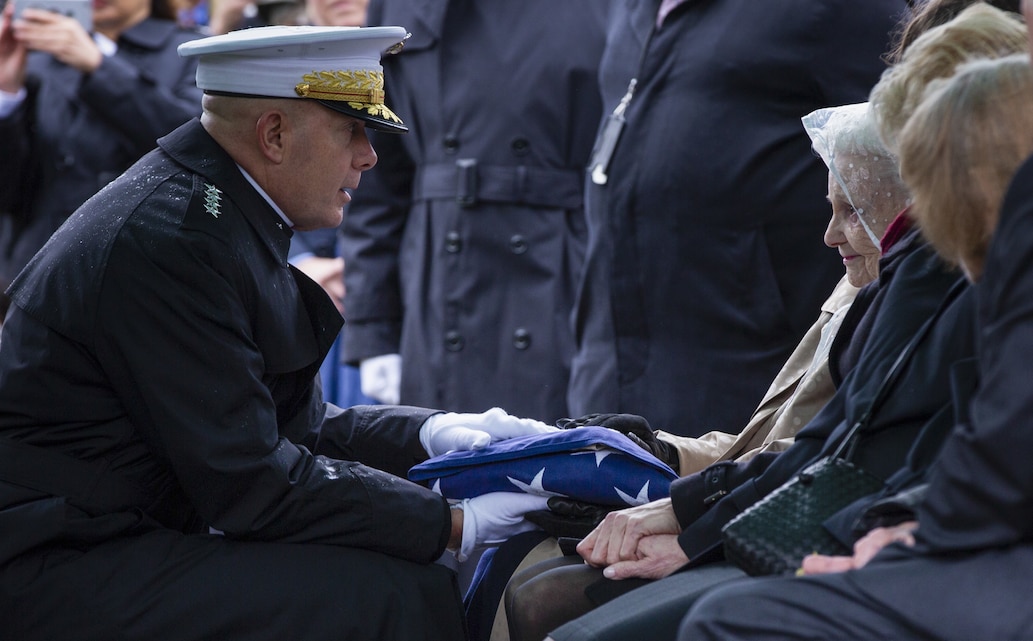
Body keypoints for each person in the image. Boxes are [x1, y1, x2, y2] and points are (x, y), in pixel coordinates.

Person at [0, 25, 570, 640]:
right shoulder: (178, 238)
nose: (368, 155)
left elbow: (286, 427)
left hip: (105, 529)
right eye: (351, 129)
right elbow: (251, 484)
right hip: (51, 558)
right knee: (388, 598)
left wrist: (436, 437)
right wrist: (457, 525)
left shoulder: (212, 208)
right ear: (273, 134)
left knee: (393, 577)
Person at [498, 6, 1028, 641]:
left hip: (923, 538)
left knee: (654, 620)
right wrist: (685, 497)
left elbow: (909, 450)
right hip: (872, 516)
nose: (833, 233)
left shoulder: (941, 263)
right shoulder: (915, 264)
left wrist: (707, 535)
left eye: (854, 209)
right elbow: (844, 440)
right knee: (544, 584)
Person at [461, 97, 910, 641]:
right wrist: (661, 450)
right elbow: (765, 443)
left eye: (855, 211)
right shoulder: (855, 285)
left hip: (808, 529)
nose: (830, 235)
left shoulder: (913, 303)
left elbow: (834, 462)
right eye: (831, 208)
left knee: (549, 600)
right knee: (520, 554)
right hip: (755, 503)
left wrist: (691, 526)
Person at [678, 45, 1033, 641]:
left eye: (855, 209)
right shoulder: (881, 287)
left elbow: (860, 444)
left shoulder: (930, 280)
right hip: (926, 522)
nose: (832, 235)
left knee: (720, 621)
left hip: (966, 542)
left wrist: (908, 531)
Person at [565, 0, 908, 437]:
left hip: (751, 395)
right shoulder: (629, 9)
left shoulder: (838, 11)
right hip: (607, 385)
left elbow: (915, 172)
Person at [338, 0, 611, 420]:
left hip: (563, 279)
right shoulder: (397, 4)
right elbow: (378, 181)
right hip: (439, 290)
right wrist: (374, 330)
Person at [0, 0, 204, 322]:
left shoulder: (191, 50)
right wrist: (7, 95)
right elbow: (10, 189)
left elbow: (195, 145)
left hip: (150, 277)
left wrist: (100, 65)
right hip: (38, 277)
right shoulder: (36, 59)